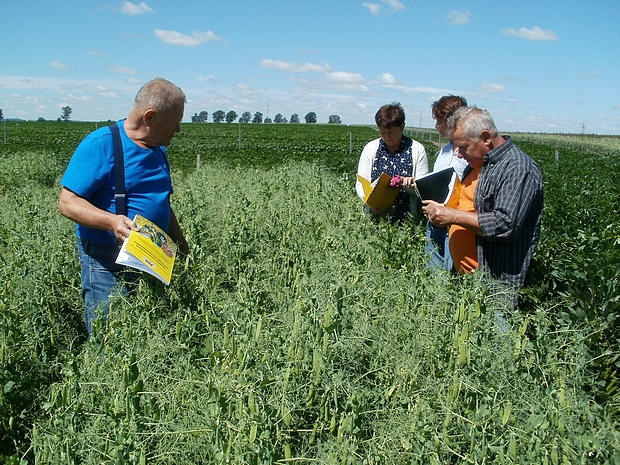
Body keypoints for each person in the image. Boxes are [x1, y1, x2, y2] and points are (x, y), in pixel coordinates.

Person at [59, 77, 190, 336]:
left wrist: (182, 248)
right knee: (110, 336)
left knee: (146, 334)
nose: (178, 130)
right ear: (150, 117)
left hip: (152, 257)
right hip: (107, 259)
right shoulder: (101, 144)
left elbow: (162, 202)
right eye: (175, 123)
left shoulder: (157, 150)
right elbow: (68, 203)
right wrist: (111, 221)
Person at [422, 106, 543, 305]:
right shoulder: (480, 163)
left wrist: (452, 216)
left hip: (493, 288)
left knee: (494, 334)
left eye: (462, 147)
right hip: (466, 280)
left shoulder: (517, 168)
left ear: (486, 138)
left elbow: (504, 225)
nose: (459, 154)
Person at [356, 102, 428, 223]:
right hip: (375, 216)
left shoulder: (416, 149)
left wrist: (405, 185)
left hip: (407, 221)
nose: (387, 136)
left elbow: (423, 190)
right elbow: (360, 183)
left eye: (392, 132)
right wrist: (370, 202)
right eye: (383, 132)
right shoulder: (371, 148)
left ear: (402, 127)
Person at [425, 95, 469, 271]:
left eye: (439, 121)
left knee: (452, 274)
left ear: (452, 121)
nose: (436, 126)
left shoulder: (470, 153)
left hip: (455, 223)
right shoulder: (445, 151)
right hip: (435, 221)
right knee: (434, 275)